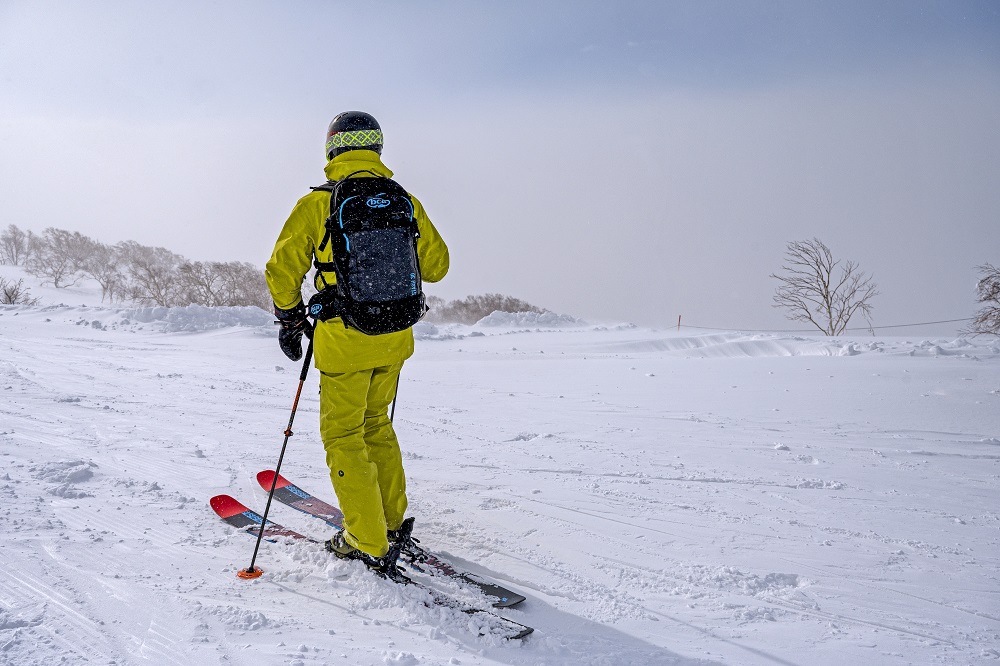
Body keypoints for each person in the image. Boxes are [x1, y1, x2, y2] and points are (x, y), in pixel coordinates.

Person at [265, 111, 449, 573]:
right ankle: (391, 522)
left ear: (332, 149)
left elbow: (281, 270)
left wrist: (290, 317)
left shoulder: (317, 204)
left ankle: (366, 539)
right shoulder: (404, 201)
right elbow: (437, 267)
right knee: (377, 426)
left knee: (345, 436)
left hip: (345, 342)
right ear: (376, 148)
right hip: (395, 337)